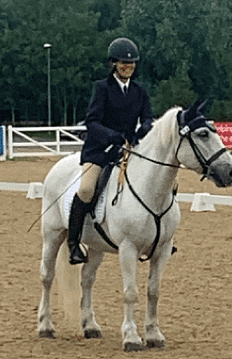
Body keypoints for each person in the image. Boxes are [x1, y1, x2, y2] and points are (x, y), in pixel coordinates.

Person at [67, 37, 154, 264]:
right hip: (100, 149)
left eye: (132, 63)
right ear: (113, 64)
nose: (128, 66)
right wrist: (110, 135)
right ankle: (74, 243)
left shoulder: (139, 91)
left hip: (127, 149)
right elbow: (92, 121)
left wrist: (143, 129)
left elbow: (147, 119)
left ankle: (160, 238)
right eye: (123, 63)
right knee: (86, 189)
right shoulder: (102, 88)